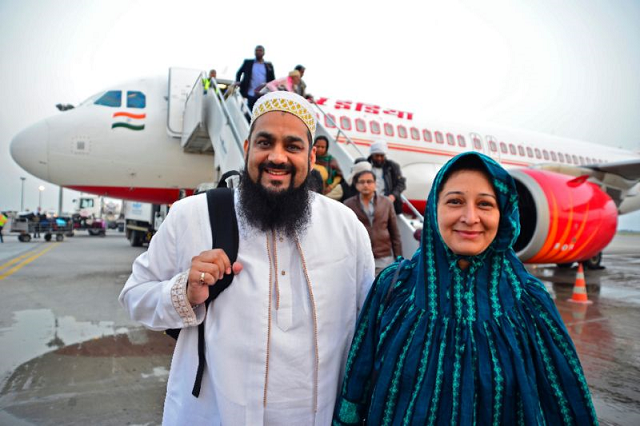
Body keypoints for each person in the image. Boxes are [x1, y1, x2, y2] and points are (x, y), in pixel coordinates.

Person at [120, 91, 375, 425]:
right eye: (265, 143)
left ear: (312, 157)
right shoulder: (192, 215)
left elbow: (369, 328)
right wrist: (184, 292)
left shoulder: (346, 228)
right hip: (214, 415)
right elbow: (134, 295)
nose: (277, 157)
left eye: (293, 146)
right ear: (247, 149)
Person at [333, 152, 597, 425]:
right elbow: (358, 379)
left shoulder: (529, 302)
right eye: (455, 201)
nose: (470, 217)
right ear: (435, 210)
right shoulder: (393, 288)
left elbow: (565, 398)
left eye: (485, 204)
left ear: (503, 214)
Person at [344, 170, 402, 275]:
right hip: (360, 258)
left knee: (384, 290)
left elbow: (395, 234)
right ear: (356, 185)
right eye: (362, 182)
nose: (365, 185)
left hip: (384, 258)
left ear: (375, 184)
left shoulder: (386, 203)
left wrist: (399, 260)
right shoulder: (348, 205)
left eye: (369, 181)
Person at [367, 140, 406, 215]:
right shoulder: (365, 165)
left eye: (381, 156)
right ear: (372, 155)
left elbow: (401, 183)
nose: (379, 158)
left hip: (386, 204)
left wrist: (393, 195)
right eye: (377, 155)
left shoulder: (392, 166)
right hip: (368, 203)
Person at [235, 45, 276, 110]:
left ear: (263, 53)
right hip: (250, 93)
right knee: (250, 110)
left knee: (261, 111)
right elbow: (239, 73)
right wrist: (238, 81)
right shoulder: (248, 63)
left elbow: (272, 80)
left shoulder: (268, 65)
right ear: (254, 52)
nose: (258, 52)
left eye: (260, 51)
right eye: (256, 50)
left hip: (263, 94)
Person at [313, 135, 344, 200]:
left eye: (322, 147)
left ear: (326, 148)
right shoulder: (309, 157)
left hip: (325, 192)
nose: (320, 149)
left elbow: (339, 176)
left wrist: (331, 186)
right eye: (318, 146)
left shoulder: (331, 160)